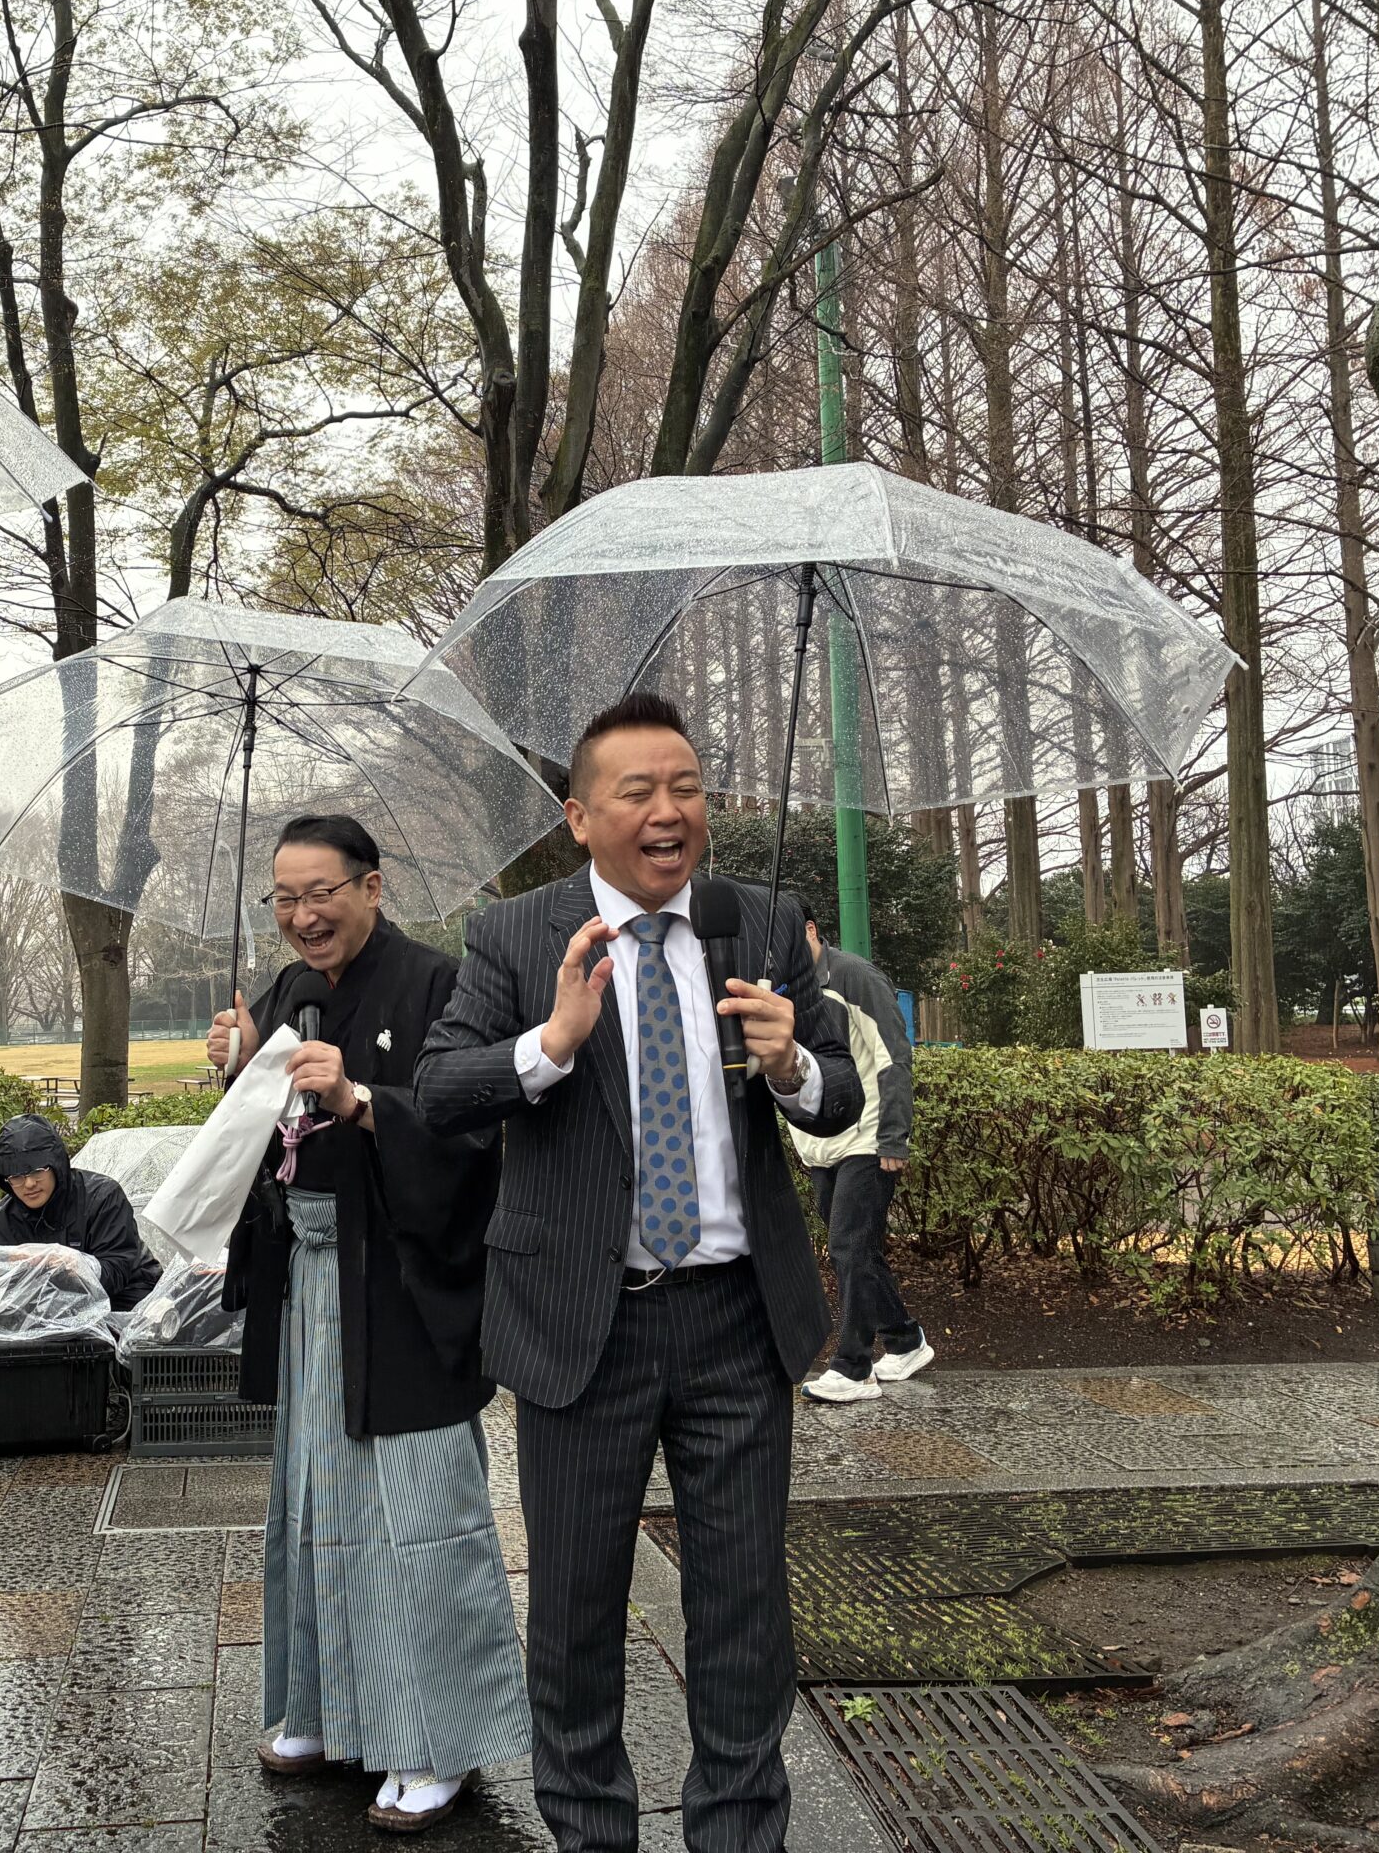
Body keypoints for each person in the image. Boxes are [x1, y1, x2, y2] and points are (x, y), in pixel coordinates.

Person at [415, 693, 862, 1853]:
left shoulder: (757, 923)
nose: (670, 812)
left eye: (687, 788)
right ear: (580, 816)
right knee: (573, 1614)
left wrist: (791, 1065)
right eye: (639, 792)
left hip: (737, 1321)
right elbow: (443, 1094)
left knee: (743, 1608)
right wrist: (550, 1043)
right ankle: (590, 1834)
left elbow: (840, 1098)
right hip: (583, 1326)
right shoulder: (518, 936)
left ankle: (738, 1834)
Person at [212, 815, 528, 1835]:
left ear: (373, 887)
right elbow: (263, 1145)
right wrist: (239, 1070)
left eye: (322, 893)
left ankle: (437, 1740)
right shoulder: (282, 993)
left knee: (419, 1517)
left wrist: (358, 1100)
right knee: (316, 1506)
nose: (303, 916)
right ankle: (327, 1711)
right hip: (309, 1285)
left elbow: (471, 1128)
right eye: (285, 899)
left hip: (400, 1283)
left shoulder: (438, 985)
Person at [791, 905, 929, 1405]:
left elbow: (894, 1056)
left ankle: (854, 1366)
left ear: (811, 929)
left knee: (849, 1246)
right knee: (858, 1250)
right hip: (817, 1142)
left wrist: (893, 1136)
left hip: (866, 1138)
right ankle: (905, 1339)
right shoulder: (780, 987)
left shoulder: (856, 977)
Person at [0, 1115, 163, 1308]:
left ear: (56, 1166)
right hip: (45, 1309)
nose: (29, 1184)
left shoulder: (102, 1197)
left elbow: (119, 1268)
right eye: (16, 1177)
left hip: (124, 1297)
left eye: (37, 1171)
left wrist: (77, 1268)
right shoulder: (0, 1222)